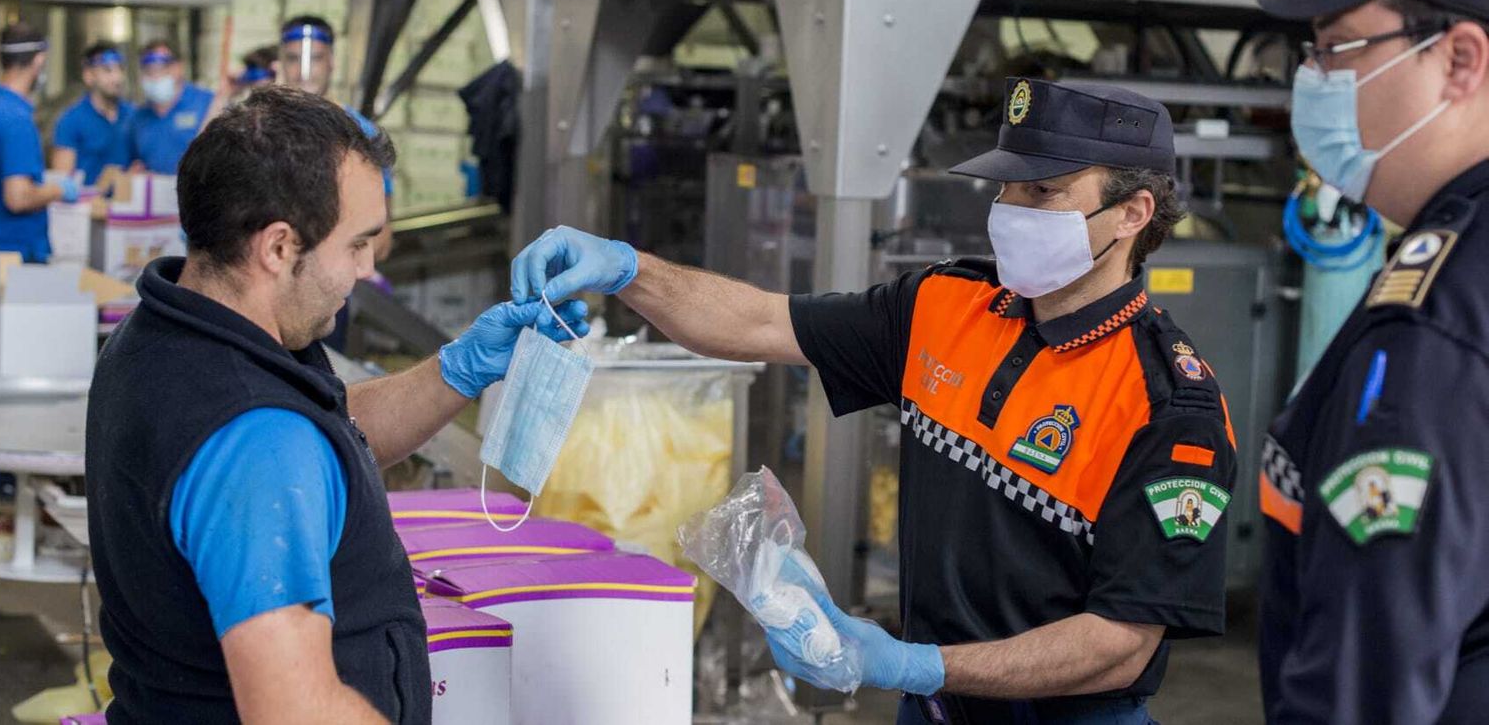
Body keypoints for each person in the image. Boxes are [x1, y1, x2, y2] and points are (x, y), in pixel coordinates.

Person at [515, 79, 1238, 724]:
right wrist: (626, 268)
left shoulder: (1170, 408)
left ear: (1133, 214)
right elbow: (760, 320)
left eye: (1043, 192)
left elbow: (1118, 644)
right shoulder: (943, 306)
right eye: (1005, 188)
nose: (1010, 209)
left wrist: (916, 661)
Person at [85, 85, 585, 724]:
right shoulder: (256, 441)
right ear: (278, 247)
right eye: (357, 243)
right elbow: (296, 711)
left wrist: (464, 367)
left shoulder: (168, 334)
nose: (368, 266)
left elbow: (330, 436)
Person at [1253, 0, 1489, 721]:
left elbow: (1364, 685)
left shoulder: (1435, 320)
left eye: (1337, 47)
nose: (1311, 77)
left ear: (1459, 60)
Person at [0, 21, 81, 263]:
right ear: (38, 61)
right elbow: (17, 197)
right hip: (14, 257)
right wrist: (59, 189)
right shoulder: (16, 118)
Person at [279, 15, 394, 261]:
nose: (303, 71)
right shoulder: (261, 126)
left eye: (316, 58)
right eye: (293, 58)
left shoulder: (359, 132)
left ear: (331, 61)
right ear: (280, 62)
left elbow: (382, 240)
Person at [51, 41, 134, 188]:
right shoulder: (70, 121)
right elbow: (61, 181)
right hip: (86, 207)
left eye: (120, 69)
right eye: (107, 70)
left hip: (128, 207)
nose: (117, 78)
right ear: (89, 76)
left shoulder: (134, 115)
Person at [129, 40, 216, 175]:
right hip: (157, 192)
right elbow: (137, 162)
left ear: (178, 68)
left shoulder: (209, 103)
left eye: (160, 68)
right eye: (148, 70)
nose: (154, 76)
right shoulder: (139, 117)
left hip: (199, 192)